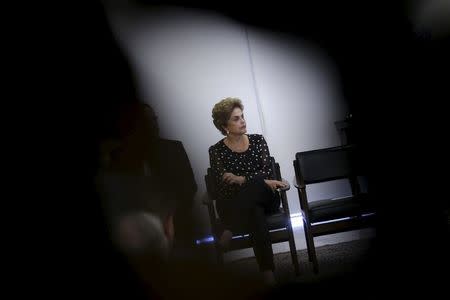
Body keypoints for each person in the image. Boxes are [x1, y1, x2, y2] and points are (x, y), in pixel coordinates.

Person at [208, 97, 288, 286]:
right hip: (235, 203)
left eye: (242, 116)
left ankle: (230, 229)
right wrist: (258, 180)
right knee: (255, 209)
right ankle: (268, 272)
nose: (243, 121)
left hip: (267, 199)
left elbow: (267, 172)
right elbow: (224, 186)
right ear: (224, 125)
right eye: (236, 118)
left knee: (255, 187)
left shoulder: (258, 140)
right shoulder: (216, 151)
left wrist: (241, 179)